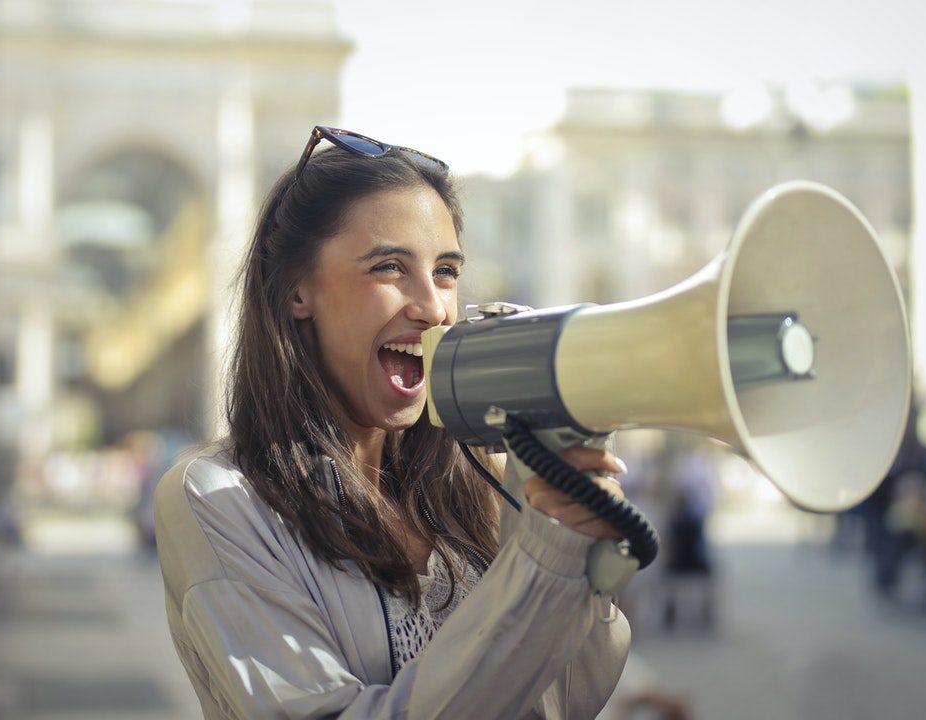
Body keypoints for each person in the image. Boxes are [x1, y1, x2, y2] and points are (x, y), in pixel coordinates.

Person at [154, 126, 631, 718]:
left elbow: (565, 700)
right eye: (389, 267)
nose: (432, 307)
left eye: (447, 272)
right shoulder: (218, 498)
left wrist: (579, 556)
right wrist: (540, 563)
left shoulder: (482, 472)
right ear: (297, 292)